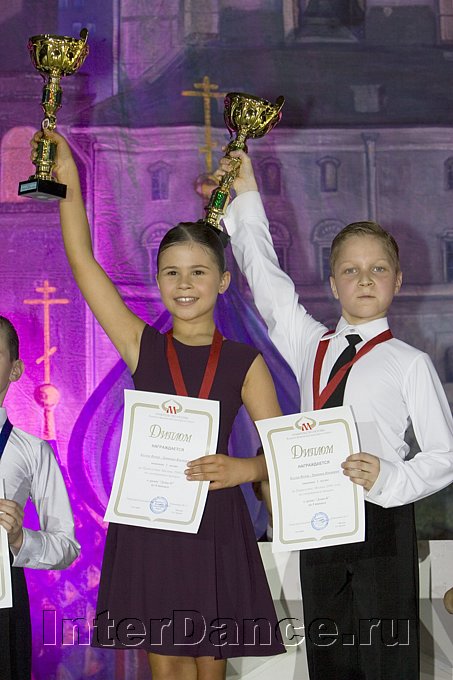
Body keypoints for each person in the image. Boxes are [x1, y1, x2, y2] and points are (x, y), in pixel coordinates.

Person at [33, 130, 286, 680]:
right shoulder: (141, 344)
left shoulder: (244, 361)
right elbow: (82, 261)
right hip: (151, 521)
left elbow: (283, 454)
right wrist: (68, 175)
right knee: (166, 666)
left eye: (198, 272)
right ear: (158, 281)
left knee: (208, 667)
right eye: (171, 272)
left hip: (215, 523)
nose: (184, 283)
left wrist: (243, 469)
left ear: (223, 280)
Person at [216, 150, 453, 680]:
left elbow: (446, 455)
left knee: (386, 659)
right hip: (318, 520)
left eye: (377, 269)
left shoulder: (409, 362)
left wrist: (389, 477)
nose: (364, 279)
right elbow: (269, 285)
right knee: (329, 659)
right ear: (332, 282)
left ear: (397, 280)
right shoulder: (312, 345)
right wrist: (247, 194)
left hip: (383, 519)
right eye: (350, 270)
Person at [0, 315, 80, 680]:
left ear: (15, 370)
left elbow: (66, 545)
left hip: (3, 596)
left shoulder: (33, 452)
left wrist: (20, 539)